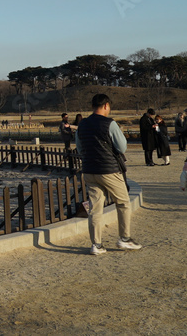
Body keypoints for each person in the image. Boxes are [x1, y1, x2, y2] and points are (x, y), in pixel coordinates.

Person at [75, 93, 141, 255]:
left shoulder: (82, 125)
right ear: (106, 106)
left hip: (89, 170)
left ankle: (96, 244)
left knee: (95, 208)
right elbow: (122, 147)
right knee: (123, 203)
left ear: (92, 106)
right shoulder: (109, 123)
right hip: (109, 169)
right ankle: (124, 239)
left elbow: (79, 148)